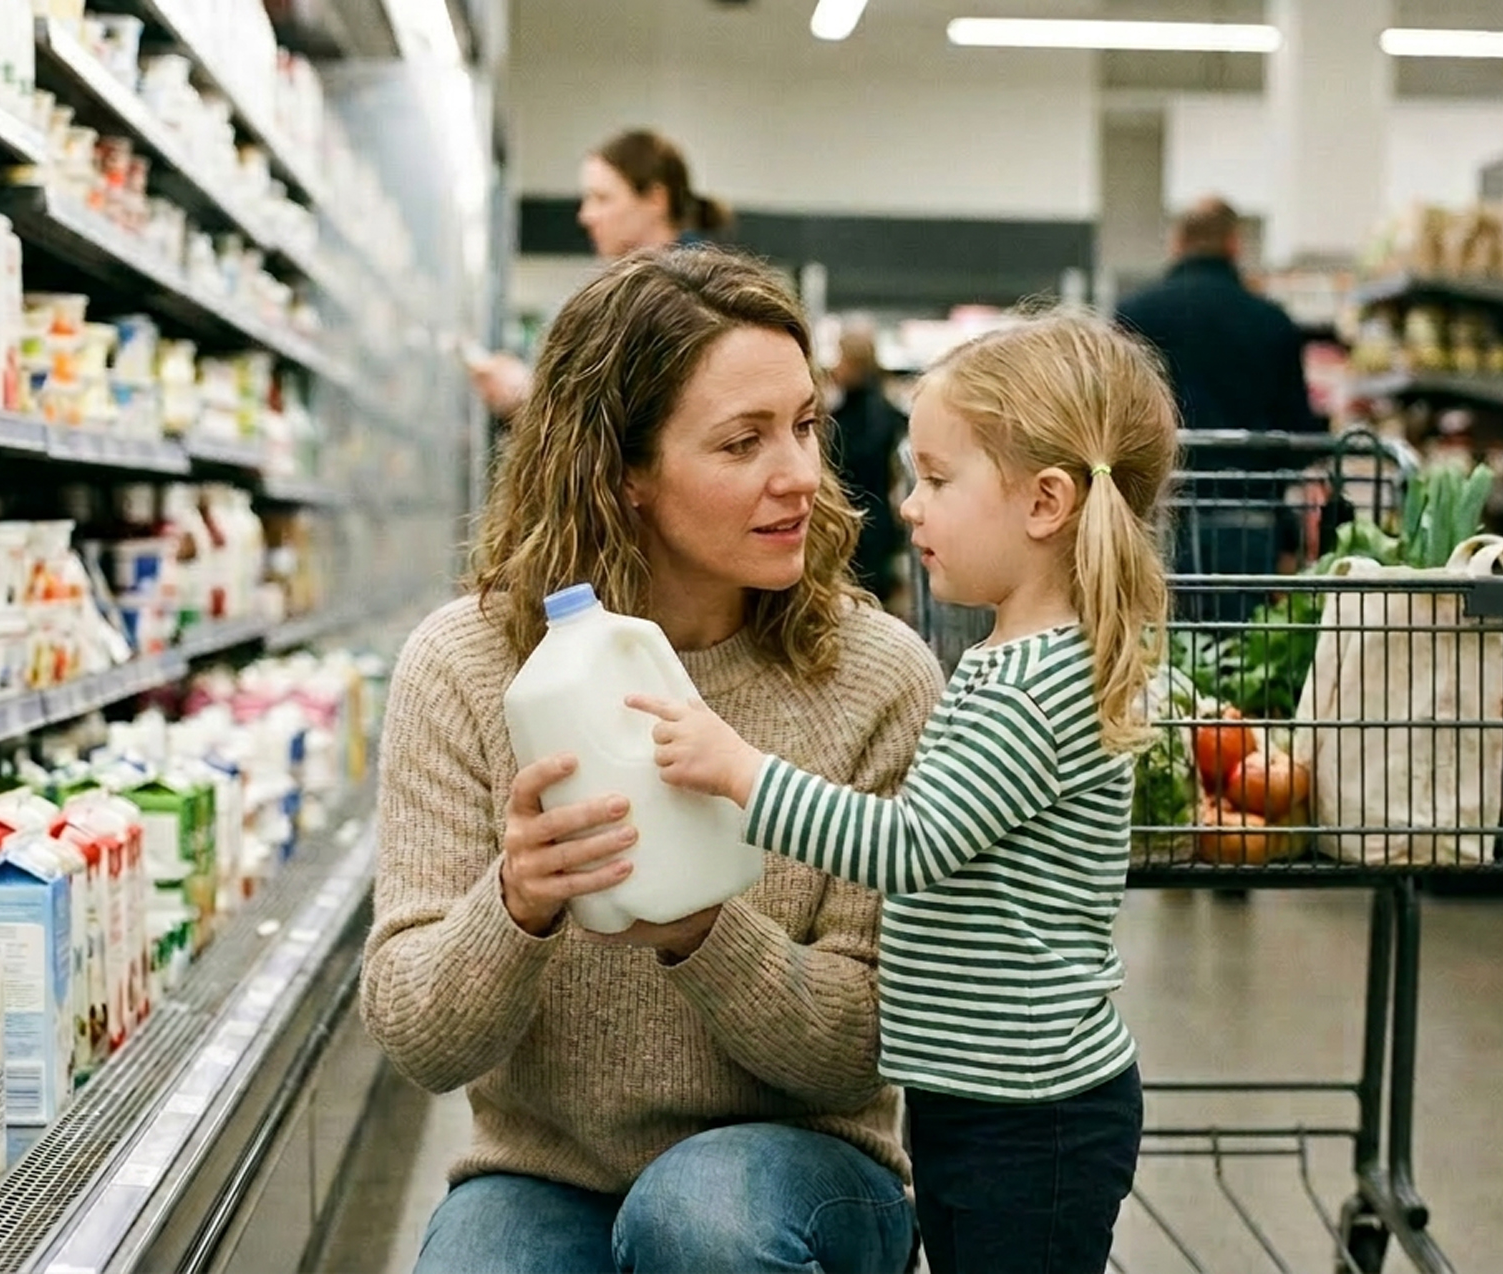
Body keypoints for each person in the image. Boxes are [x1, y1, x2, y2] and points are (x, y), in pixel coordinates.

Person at [364, 246, 944, 1274]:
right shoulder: (466, 666)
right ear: (622, 472)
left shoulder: (873, 675)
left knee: (700, 1219)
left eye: (804, 426)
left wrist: (701, 929)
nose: (799, 476)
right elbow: (419, 1036)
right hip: (548, 1170)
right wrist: (516, 904)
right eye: (742, 442)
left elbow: (868, 1043)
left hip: (805, 1167)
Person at [628, 309, 1174, 1274]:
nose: (910, 507)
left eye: (938, 479)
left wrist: (741, 772)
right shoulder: (1018, 658)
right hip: (981, 1090)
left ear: (1044, 503)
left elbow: (908, 845)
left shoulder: (1033, 687)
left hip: (1032, 1114)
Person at [1117, 196, 1322, 586]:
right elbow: (1297, 429)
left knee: (1161, 618)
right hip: (1249, 515)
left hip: (1159, 515)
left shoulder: (1134, 315)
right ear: (1233, 244)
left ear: (1177, 243)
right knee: (1247, 624)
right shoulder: (1272, 322)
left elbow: (1117, 419)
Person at [468, 129, 732, 418]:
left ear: (656, 200)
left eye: (602, 198)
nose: (586, 216)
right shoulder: (629, 291)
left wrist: (527, 394)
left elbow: (640, 419)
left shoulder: (696, 297)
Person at [828, 322, 909, 604]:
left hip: (860, 522)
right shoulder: (888, 412)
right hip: (877, 522)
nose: (836, 367)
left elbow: (849, 466)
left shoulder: (855, 419)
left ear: (855, 363)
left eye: (841, 358)